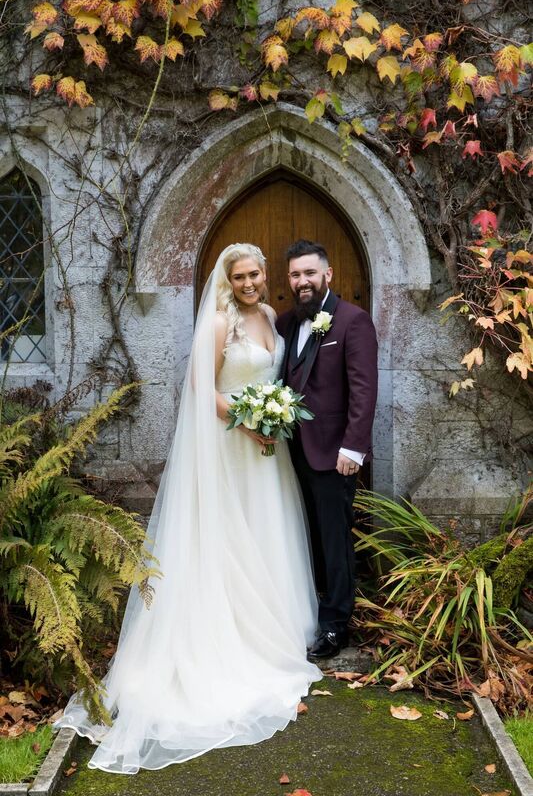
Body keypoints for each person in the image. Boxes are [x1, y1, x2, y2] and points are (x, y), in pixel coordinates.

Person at [54, 243, 321, 774]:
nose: (248, 283)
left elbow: (275, 378)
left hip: (267, 451)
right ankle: (226, 639)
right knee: (226, 535)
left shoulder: (269, 315)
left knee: (266, 529)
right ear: (227, 280)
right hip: (231, 443)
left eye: (254, 274)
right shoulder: (220, 323)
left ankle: (272, 629)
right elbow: (203, 389)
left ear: (266, 277)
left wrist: (273, 417)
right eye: (238, 276)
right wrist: (252, 418)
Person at [276, 239, 378, 659]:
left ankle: (336, 625)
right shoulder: (284, 325)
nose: (303, 281)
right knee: (299, 535)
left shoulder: (353, 321)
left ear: (328, 275)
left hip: (334, 454)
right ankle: (303, 613)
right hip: (287, 453)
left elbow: (364, 389)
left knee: (335, 539)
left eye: (310, 273)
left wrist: (353, 448)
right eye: (296, 275)